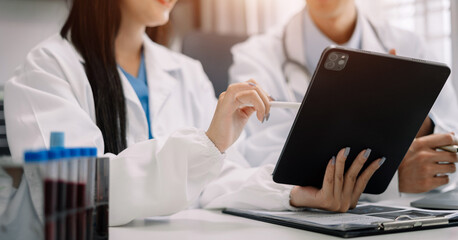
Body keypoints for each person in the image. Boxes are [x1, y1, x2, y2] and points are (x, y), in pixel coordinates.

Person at [4, 0, 383, 227]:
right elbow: (74, 193)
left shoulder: (186, 71)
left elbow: (221, 180)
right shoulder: (46, 69)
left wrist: (298, 195)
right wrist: (209, 143)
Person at [230, 0, 458, 199]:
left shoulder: (411, 45)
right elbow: (258, 155)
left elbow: (453, 134)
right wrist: (386, 177)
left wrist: (415, 121)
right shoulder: (256, 57)